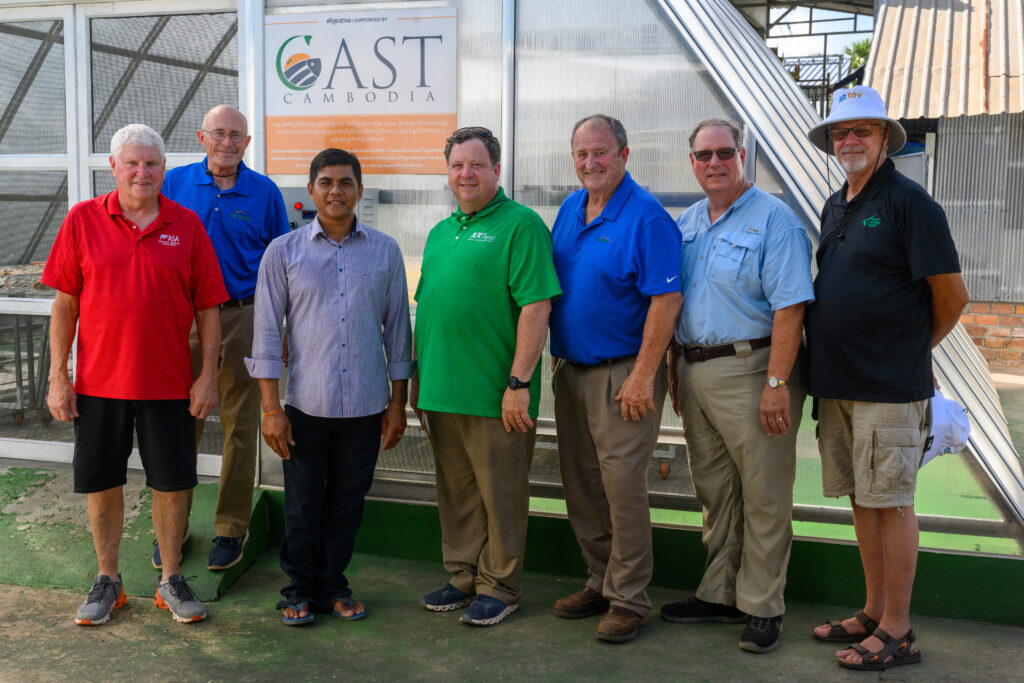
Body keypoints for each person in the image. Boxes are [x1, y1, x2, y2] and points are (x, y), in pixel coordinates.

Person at [804, 85, 968, 671]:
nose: (850, 140)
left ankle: (898, 630)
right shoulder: (835, 203)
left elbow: (951, 297)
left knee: (892, 502)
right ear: (830, 143)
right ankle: (874, 610)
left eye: (863, 131)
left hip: (889, 386)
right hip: (839, 384)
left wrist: (906, 349)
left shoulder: (909, 202)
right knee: (862, 500)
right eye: (840, 133)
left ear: (883, 139)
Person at [43, 124, 228, 625]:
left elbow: (209, 307)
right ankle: (109, 580)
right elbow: (64, 304)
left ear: (164, 170)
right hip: (99, 386)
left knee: (172, 483)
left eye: (152, 164)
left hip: (169, 386)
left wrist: (206, 375)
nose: (142, 172)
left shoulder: (187, 225)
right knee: (103, 482)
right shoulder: (82, 220)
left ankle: (170, 579)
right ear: (114, 167)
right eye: (133, 163)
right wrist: (60, 376)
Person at [658, 119, 815, 653]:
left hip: (754, 370)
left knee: (765, 494)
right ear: (692, 162)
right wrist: (676, 370)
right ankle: (720, 593)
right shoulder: (689, 222)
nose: (714, 163)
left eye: (725, 153)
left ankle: (763, 606)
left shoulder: (776, 221)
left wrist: (777, 382)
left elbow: (791, 308)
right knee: (716, 491)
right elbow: (675, 301)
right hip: (695, 370)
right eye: (703, 155)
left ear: (742, 156)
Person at [245, 148, 412, 625]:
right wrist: (271, 408)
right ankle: (298, 588)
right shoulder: (283, 251)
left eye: (345, 182)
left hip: (364, 404)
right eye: (326, 182)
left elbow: (398, 331)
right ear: (312, 190)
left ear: (359, 189)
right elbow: (265, 335)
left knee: (346, 503)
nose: (335, 191)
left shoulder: (385, 251)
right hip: (303, 404)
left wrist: (398, 404)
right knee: (301, 503)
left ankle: (334, 585)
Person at [413, 126, 561, 627]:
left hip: (496, 395)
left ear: (496, 170)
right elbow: (430, 310)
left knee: (501, 496)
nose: (466, 173)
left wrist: (519, 384)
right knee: (455, 493)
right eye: (457, 165)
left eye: (476, 164)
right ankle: (463, 574)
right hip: (441, 391)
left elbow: (536, 307)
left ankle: (500, 585)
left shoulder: (521, 226)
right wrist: (418, 382)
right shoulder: (439, 232)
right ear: (448, 173)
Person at [548, 114, 682, 643]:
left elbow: (666, 300)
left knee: (622, 488)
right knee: (582, 485)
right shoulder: (569, 209)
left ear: (624, 155)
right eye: (581, 153)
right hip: (570, 371)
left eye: (600, 152)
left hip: (623, 373)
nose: (590, 163)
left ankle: (629, 599)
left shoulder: (647, 217)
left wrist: (644, 376)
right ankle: (599, 580)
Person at [160, 105, 289, 571]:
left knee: (239, 424)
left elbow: (281, 267)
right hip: (185, 323)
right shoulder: (173, 184)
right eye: (219, 133)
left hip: (244, 316)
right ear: (202, 137)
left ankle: (231, 528)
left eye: (237, 135)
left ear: (247, 142)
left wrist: (280, 329)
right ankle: (171, 527)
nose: (228, 142)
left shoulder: (265, 193)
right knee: (180, 423)